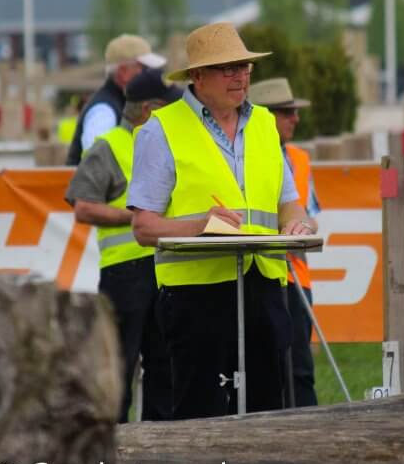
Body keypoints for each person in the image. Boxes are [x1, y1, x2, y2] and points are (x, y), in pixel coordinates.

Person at [128, 22, 316, 420]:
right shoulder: (161, 131)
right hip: (197, 296)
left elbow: (289, 203)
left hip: (264, 285)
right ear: (198, 76)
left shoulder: (265, 124)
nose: (241, 75)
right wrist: (201, 223)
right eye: (229, 67)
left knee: (270, 411)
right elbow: (144, 227)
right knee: (200, 415)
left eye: (245, 66)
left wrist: (298, 225)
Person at [65, 68, 181, 422]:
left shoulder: (165, 145)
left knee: (164, 366)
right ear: (148, 110)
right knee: (119, 366)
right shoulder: (110, 146)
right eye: (167, 108)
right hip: (125, 274)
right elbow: (82, 205)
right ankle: (112, 449)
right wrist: (134, 218)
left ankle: (160, 451)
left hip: (164, 270)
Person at [248, 77, 320, 408]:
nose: (296, 118)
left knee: (301, 371)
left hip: (296, 278)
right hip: (259, 273)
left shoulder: (300, 160)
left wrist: (300, 226)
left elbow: (310, 214)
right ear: (263, 116)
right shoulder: (245, 157)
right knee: (265, 369)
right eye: (286, 112)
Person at [66, 35, 165, 165]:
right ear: (123, 72)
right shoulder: (104, 111)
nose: (150, 75)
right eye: (144, 68)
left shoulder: (116, 103)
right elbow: (96, 166)